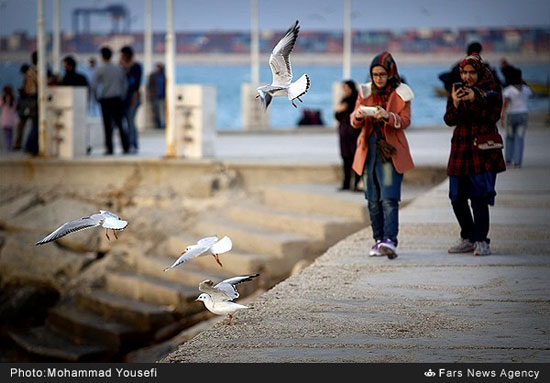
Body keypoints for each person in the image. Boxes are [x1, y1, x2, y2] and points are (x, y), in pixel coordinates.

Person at [350, 51, 415, 259]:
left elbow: (405, 121)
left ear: (391, 73)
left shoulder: (402, 92)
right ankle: (378, 240)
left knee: (389, 197)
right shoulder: (365, 91)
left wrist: (388, 116)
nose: (378, 79)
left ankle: (390, 240)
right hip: (368, 150)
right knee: (372, 199)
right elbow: (353, 119)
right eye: (374, 74)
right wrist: (359, 115)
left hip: (390, 150)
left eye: (382, 74)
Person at [444, 53, 506, 257]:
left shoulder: (492, 89)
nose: (467, 77)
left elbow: (492, 116)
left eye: (471, 72)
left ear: (479, 73)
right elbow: (449, 119)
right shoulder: (457, 90)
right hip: (460, 148)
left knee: (479, 196)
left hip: (482, 150)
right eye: (464, 72)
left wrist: (476, 98)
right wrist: (455, 102)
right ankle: (468, 236)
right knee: (456, 196)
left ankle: (482, 240)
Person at [91, 46, 129, 155]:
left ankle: (109, 149)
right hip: (117, 99)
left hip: (105, 100)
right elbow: (125, 84)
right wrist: (122, 97)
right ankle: (125, 147)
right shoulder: (118, 68)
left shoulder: (100, 69)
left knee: (107, 126)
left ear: (102, 56)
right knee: (121, 124)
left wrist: (96, 97)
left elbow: (93, 85)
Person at [501, 68, 532, 168]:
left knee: (510, 137)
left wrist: (502, 116)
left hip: (511, 115)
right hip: (523, 115)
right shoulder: (526, 89)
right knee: (520, 138)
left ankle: (508, 159)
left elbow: (505, 104)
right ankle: (518, 161)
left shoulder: (508, 90)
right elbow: (529, 91)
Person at [334, 79, 361, 191]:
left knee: (356, 158)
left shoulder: (356, 100)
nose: (345, 91)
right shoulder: (344, 100)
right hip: (344, 134)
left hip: (354, 134)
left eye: (347, 88)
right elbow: (337, 117)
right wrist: (339, 111)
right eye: (344, 89)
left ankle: (357, 183)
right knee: (346, 158)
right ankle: (346, 183)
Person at [120, 46, 142, 153]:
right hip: (124, 99)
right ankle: (129, 144)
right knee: (127, 122)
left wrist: (134, 99)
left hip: (133, 99)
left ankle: (133, 144)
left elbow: (135, 85)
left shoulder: (136, 67)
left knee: (130, 122)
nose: (122, 57)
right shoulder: (121, 67)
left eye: (124, 55)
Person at [22, 51, 39, 155]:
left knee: (34, 123)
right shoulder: (35, 71)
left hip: (30, 99)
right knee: (36, 124)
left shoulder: (30, 70)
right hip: (35, 99)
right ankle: (30, 145)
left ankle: (31, 146)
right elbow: (39, 83)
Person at [13, 63, 30, 151]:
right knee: (21, 126)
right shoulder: (28, 79)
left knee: (21, 126)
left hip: (27, 107)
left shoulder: (28, 79)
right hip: (27, 106)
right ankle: (21, 144)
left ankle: (20, 145)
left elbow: (27, 92)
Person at [147, 63, 166, 130]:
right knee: (156, 111)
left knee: (163, 111)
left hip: (163, 96)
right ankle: (158, 124)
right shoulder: (153, 76)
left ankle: (163, 124)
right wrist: (150, 95)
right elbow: (149, 86)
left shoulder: (164, 76)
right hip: (155, 96)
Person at [0, 85, 18, 151]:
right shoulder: (13, 99)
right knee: (11, 134)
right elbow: (16, 107)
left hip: (5, 118)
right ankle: (10, 146)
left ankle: (9, 146)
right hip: (12, 119)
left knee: (6, 134)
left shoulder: (3, 98)